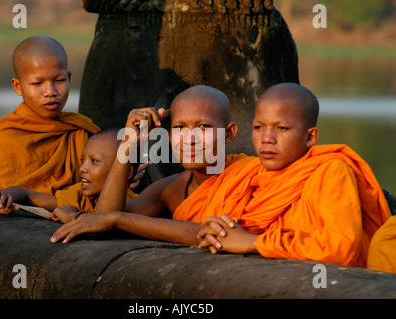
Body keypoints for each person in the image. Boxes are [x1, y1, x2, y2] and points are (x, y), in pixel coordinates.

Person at [195, 83, 391, 268]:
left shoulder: (330, 172)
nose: (267, 139)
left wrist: (254, 243)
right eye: (258, 127)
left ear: (310, 137)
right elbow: (218, 229)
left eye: (282, 128)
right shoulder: (249, 174)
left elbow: (340, 249)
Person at [50, 85, 255, 244]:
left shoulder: (250, 173)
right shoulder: (169, 189)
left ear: (228, 133)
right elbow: (106, 219)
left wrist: (118, 219)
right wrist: (128, 144)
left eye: (203, 126)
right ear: (168, 134)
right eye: (179, 127)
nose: (190, 138)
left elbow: (212, 232)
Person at [0, 35, 100, 194]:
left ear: (69, 78)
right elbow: (6, 192)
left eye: (59, 80)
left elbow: (102, 182)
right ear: (18, 86)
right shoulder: (5, 136)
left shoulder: (80, 129)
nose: (50, 92)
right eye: (37, 83)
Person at [0, 129, 137, 223]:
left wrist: (73, 218)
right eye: (82, 160)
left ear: (126, 172)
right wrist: (4, 197)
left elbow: (106, 222)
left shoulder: (133, 204)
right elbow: (27, 195)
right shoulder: (81, 196)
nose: (83, 168)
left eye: (94, 161)